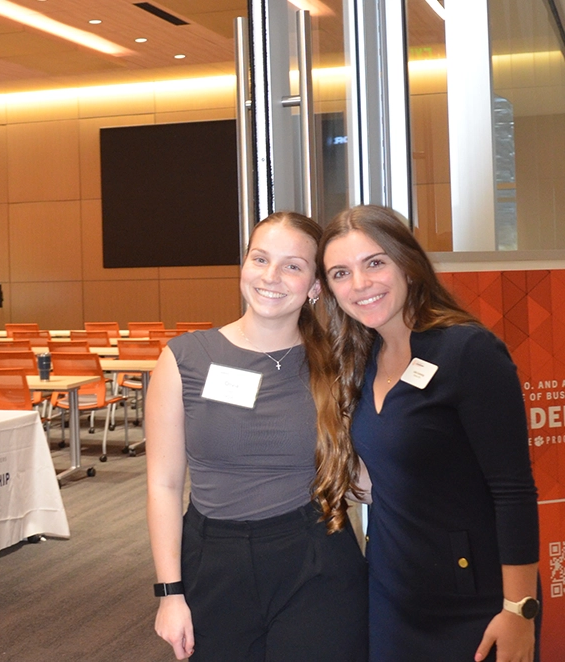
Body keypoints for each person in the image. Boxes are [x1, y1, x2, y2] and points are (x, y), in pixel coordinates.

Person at [317, 205, 541, 662]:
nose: (360, 284)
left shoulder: (468, 351)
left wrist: (519, 611)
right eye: (341, 272)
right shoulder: (364, 358)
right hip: (392, 596)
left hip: (474, 602)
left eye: (374, 262)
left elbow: (514, 491)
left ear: (408, 264)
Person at [146, 212, 368, 661]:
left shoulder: (337, 363)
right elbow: (164, 485)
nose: (272, 276)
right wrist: (170, 594)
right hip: (214, 560)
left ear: (314, 287)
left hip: (315, 552)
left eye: (292, 265)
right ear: (243, 266)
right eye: (260, 259)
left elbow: (364, 473)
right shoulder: (185, 358)